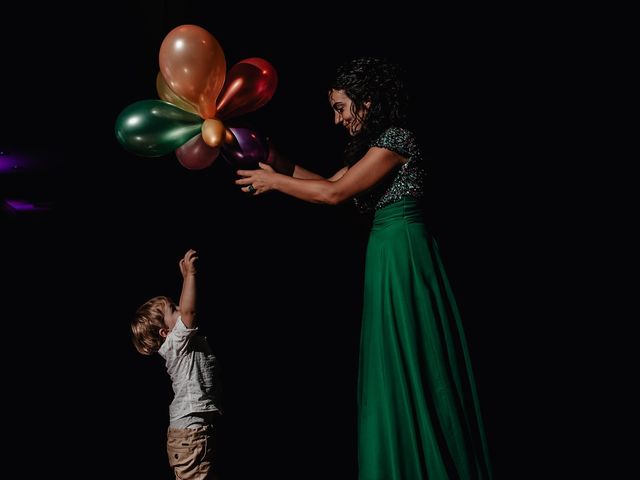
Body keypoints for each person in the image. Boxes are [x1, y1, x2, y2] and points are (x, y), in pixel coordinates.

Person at [236, 57, 493, 479]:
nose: (336, 120)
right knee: (392, 370)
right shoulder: (374, 150)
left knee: (417, 360)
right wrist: (273, 159)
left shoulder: (396, 140)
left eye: (341, 108)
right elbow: (325, 182)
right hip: (385, 257)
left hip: (405, 255)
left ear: (368, 103)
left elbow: (334, 194)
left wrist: (275, 183)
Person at [131, 249, 220, 480]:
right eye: (174, 309)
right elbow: (189, 310)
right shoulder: (175, 343)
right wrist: (190, 275)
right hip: (191, 434)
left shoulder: (176, 342)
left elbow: (186, 309)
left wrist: (184, 281)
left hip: (191, 433)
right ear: (165, 332)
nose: (180, 309)